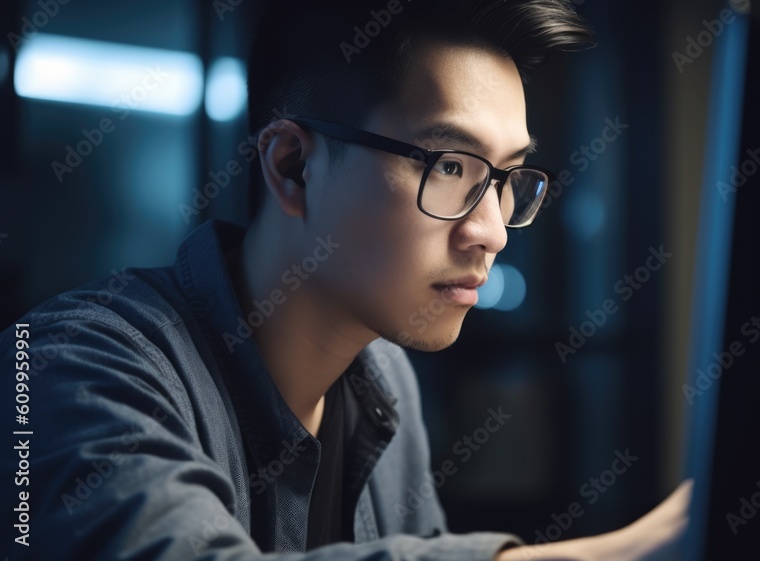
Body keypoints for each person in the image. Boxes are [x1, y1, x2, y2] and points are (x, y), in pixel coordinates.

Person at [1, 1, 691, 559]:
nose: (492, 230)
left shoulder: (385, 381)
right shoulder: (64, 366)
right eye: (451, 166)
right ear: (293, 166)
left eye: (506, 179)